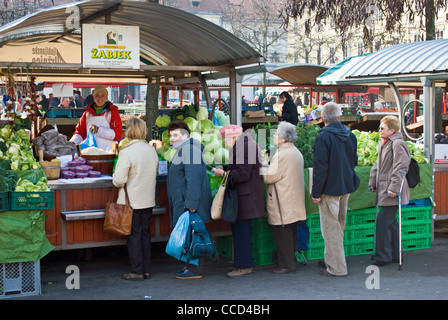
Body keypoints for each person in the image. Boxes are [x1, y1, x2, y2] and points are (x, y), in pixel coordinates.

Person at [311, 102, 359, 277]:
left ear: (322, 118)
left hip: (329, 189)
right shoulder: (350, 135)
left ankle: (337, 268)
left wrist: (316, 192)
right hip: (346, 186)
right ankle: (331, 261)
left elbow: (320, 167)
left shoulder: (323, 137)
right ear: (339, 117)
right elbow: (355, 161)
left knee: (332, 230)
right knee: (338, 228)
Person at [213, 125, 264, 278]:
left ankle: (244, 266)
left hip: (245, 197)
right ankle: (242, 264)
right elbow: (239, 167)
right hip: (243, 196)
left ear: (233, 137)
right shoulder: (243, 145)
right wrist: (226, 167)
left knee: (242, 232)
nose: (224, 142)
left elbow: (242, 174)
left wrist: (224, 173)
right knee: (241, 231)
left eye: (225, 139)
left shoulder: (245, 147)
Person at [112, 118, 159, 281]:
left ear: (129, 131)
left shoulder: (126, 151)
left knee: (134, 235)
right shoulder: (151, 150)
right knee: (145, 234)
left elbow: (119, 180)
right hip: (148, 199)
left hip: (132, 201)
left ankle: (137, 271)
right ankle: (145, 269)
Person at [166, 121, 212, 280]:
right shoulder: (184, 149)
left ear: (185, 135)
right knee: (190, 235)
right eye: (170, 135)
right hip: (186, 201)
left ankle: (195, 269)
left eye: (176, 135)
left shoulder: (190, 150)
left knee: (194, 235)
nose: (172, 139)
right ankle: (190, 267)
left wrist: (191, 204)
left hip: (191, 203)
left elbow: (194, 179)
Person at [261, 121, 306, 274]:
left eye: (276, 134)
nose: (273, 136)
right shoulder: (295, 151)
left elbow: (269, 177)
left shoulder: (282, 154)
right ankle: (289, 261)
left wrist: (262, 163)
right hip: (292, 199)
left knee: (283, 233)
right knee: (290, 231)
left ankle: (286, 264)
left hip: (283, 200)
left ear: (283, 137)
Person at [369, 116, 411, 267]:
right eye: (379, 128)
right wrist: (372, 181)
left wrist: (394, 187)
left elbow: (401, 166)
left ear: (392, 130)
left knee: (383, 221)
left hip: (391, 189)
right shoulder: (384, 144)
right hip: (384, 187)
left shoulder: (397, 144)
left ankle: (383, 256)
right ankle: (393, 254)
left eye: (382, 128)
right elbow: (377, 165)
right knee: (391, 222)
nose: (379, 130)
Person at [70, 85, 122, 151]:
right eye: (97, 95)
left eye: (102, 95)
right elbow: (80, 132)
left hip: (108, 152)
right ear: (93, 97)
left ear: (106, 97)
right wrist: (73, 142)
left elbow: (118, 134)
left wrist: (99, 130)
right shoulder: (87, 114)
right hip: (90, 153)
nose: (99, 99)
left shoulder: (113, 112)